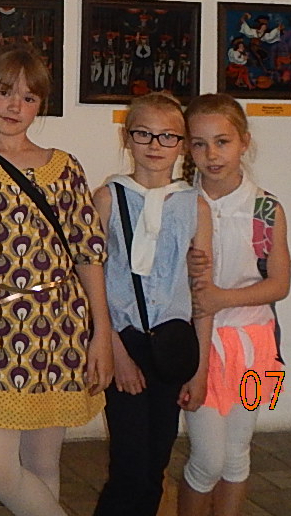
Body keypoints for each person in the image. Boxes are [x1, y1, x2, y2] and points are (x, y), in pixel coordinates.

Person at [0, 47, 113, 516]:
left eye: (29, 97)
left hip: (61, 325)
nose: (15, 106)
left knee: (42, 462)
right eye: (4, 92)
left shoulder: (64, 167)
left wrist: (102, 333)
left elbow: (88, 254)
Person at [92, 92, 213, 516]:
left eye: (168, 136)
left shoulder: (194, 205)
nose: (155, 145)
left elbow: (201, 293)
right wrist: (115, 352)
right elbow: (92, 283)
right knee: (128, 465)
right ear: (127, 138)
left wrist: (199, 368)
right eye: (144, 134)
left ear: (182, 145)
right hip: (123, 340)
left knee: (156, 464)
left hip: (173, 343)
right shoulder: (108, 198)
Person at [178, 95, 291, 516]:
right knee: (207, 459)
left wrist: (223, 298)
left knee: (236, 456)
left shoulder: (265, 209)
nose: (211, 154)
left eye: (222, 142)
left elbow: (279, 284)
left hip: (252, 343)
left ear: (244, 141)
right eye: (199, 143)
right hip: (199, 344)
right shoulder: (180, 204)